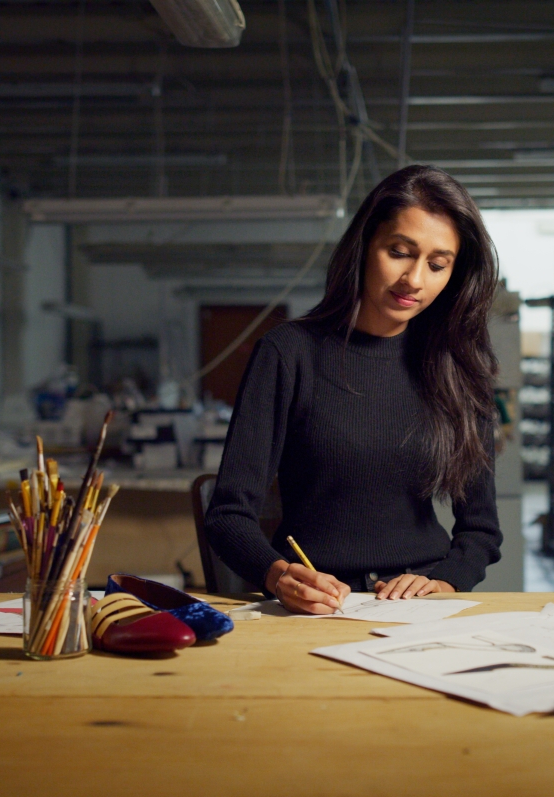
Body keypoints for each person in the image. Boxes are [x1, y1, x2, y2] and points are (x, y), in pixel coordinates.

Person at [205, 165, 503, 614]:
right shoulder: (289, 353)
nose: (415, 280)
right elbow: (228, 514)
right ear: (364, 247)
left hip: (419, 608)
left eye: (437, 264)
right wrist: (278, 574)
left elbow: (480, 530)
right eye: (400, 252)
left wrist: (445, 582)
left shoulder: (459, 366)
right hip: (313, 604)